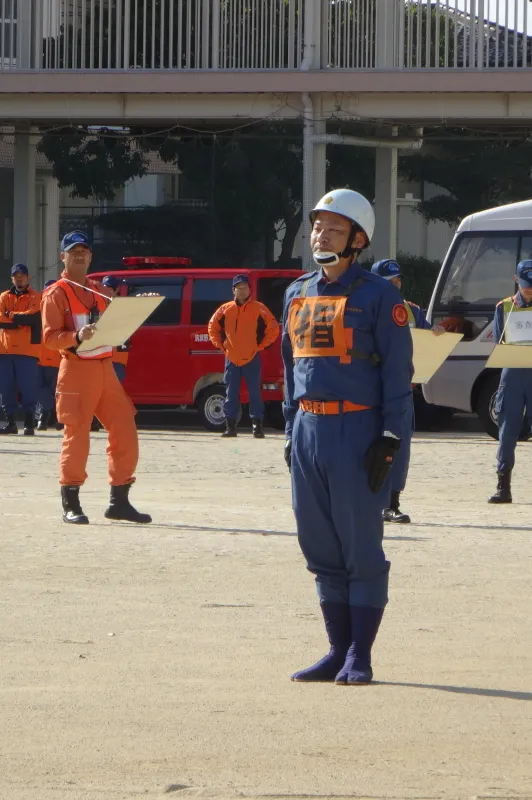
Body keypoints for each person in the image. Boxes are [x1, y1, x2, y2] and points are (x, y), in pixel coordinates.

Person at [282, 189, 413, 685]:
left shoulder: (381, 297)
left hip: (357, 431)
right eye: (318, 227)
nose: (321, 235)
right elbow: (290, 369)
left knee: (361, 547)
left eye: (334, 229)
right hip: (309, 430)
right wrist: (291, 434)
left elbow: (398, 379)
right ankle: (336, 650)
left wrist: (392, 445)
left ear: (358, 240)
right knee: (318, 544)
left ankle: (361, 652)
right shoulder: (297, 293)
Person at [41, 230, 151, 526]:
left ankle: (119, 500)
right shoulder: (56, 293)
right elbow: (49, 338)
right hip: (76, 369)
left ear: (90, 256)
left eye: (84, 250)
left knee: (125, 427)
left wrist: (134, 312)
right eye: (73, 250)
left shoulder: (98, 290)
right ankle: (71, 502)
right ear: (62, 256)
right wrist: (76, 335)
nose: (80, 254)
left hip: (105, 367)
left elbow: (110, 328)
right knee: (77, 435)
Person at [371, 259, 444, 523]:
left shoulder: (411, 310)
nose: (396, 284)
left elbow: (426, 335)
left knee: (399, 446)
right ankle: (369, 501)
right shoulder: (365, 307)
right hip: (371, 390)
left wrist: (436, 331)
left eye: (398, 280)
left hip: (401, 391)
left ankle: (392, 503)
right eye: (391, 281)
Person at [208, 274, 279, 438]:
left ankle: (257, 427)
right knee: (230, 393)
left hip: (252, 357)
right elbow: (212, 326)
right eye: (239, 288)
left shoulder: (259, 307)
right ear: (233, 290)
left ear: (250, 289)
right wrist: (220, 346)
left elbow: (273, 327)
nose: (242, 290)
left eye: (245, 287)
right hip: (231, 358)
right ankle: (230, 427)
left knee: (255, 393)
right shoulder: (225, 309)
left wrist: (260, 346)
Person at [488, 259, 532, 504]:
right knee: (507, 430)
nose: (529, 289)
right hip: (513, 374)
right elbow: (498, 343)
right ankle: (503, 486)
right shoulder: (504, 307)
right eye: (526, 285)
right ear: (516, 280)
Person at [0, 264, 42, 435]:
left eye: (22, 275)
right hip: (5, 351)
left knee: (28, 389)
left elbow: (34, 317)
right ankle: (10, 423)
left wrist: (11, 314)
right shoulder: (3, 297)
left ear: (28, 277)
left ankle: (29, 424)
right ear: (12, 278)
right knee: (6, 389)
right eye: (16, 276)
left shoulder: (36, 296)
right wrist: (19, 320)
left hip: (28, 351)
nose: (19, 278)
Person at [36, 279, 61, 431]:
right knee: (40, 389)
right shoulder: (38, 310)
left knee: (58, 391)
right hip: (39, 358)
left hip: (58, 359)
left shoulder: (61, 310)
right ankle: (43, 417)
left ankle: (58, 418)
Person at [101, 275, 130, 383]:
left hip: (117, 358)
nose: (107, 291)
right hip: (102, 358)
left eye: (110, 288)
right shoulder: (99, 304)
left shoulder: (122, 307)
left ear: (116, 289)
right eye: (104, 288)